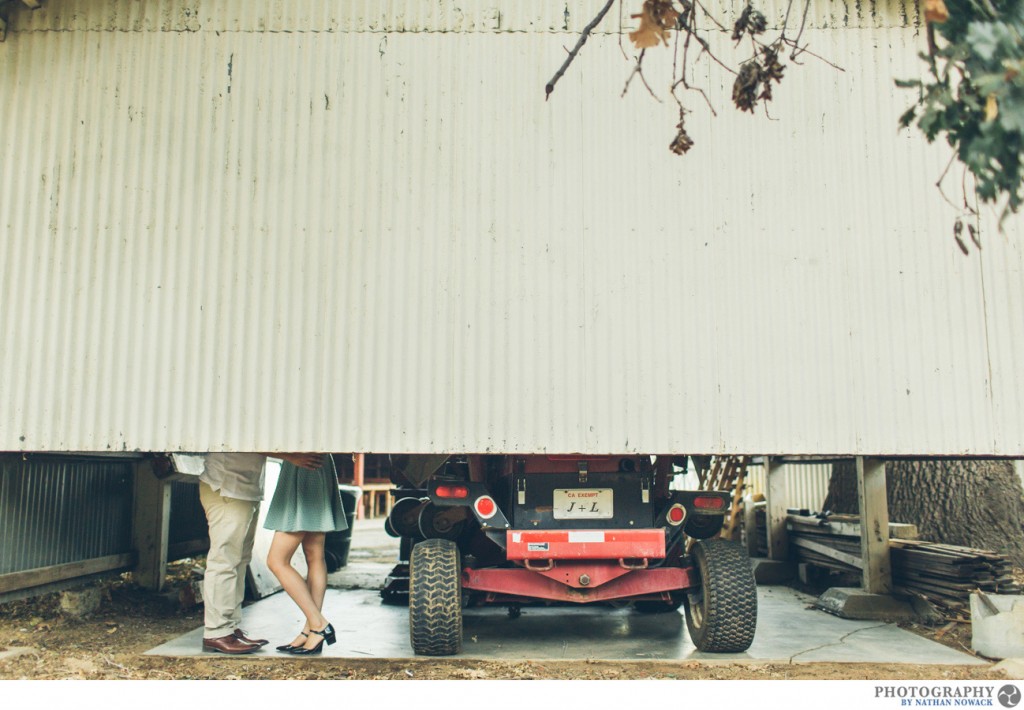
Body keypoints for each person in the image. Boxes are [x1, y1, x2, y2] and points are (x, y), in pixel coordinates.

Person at [198, 452, 323, 655]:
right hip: (227, 486)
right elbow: (244, 440)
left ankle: (230, 628)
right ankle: (216, 632)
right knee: (224, 561)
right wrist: (290, 457)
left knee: (239, 560)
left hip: (246, 489)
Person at [263, 454, 348, 655]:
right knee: (314, 555)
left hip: (304, 465)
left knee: (277, 560)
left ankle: (318, 624)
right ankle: (310, 629)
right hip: (312, 466)